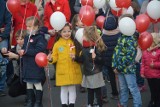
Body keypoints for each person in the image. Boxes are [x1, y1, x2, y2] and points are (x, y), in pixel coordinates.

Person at [48, 23, 82, 107]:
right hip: (62, 70)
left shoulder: (74, 42)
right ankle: (64, 105)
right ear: (60, 33)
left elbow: (80, 53)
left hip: (73, 69)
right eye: (64, 32)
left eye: (69, 31)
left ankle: (71, 104)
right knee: (63, 89)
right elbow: (54, 56)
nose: (67, 33)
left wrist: (76, 56)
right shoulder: (57, 44)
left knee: (72, 88)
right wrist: (51, 59)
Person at [112, 14, 142, 107]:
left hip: (128, 69)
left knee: (132, 88)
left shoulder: (130, 40)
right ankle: (122, 103)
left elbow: (129, 57)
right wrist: (114, 65)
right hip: (120, 69)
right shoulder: (121, 37)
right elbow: (116, 53)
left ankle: (137, 104)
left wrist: (118, 67)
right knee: (123, 88)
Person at [18, 16, 47, 107]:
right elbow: (24, 47)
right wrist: (21, 50)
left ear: (36, 27)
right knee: (28, 84)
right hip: (27, 64)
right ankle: (30, 101)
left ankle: (38, 102)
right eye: (27, 26)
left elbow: (39, 50)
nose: (28, 28)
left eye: (30, 26)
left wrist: (26, 52)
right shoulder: (27, 36)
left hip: (36, 64)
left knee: (37, 83)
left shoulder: (40, 37)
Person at [75, 26, 106, 107]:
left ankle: (99, 104)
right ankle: (90, 104)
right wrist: (75, 58)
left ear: (89, 36)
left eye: (83, 35)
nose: (82, 37)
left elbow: (102, 61)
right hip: (88, 72)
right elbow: (82, 60)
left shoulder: (96, 47)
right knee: (90, 91)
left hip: (95, 73)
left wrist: (95, 58)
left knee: (97, 91)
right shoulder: (84, 48)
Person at [102, 14, 120, 100]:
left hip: (108, 60)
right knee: (121, 76)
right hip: (118, 60)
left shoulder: (103, 36)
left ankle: (115, 93)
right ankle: (126, 93)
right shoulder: (119, 34)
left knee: (111, 76)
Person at [140, 33, 160, 107]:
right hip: (149, 75)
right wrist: (142, 72)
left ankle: (157, 102)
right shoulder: (145, 50)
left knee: (157, 90)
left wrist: (154, 65)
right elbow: (143, 63)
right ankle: (153, 100)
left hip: (157, 76)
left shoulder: (158, 51)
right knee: (152, 90)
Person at [71, 14, 86, 93]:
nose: (83, 22)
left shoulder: (87, 29)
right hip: (78, 51)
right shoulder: (73, 32)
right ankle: (81, 85)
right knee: (81, 69)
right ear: (76, 23)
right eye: (81, 20)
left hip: (86, 51)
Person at [0, 0, 12, 97]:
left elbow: (9, 22)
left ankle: (1, 88)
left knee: (3, 63)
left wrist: (3, 36)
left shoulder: (4, 4)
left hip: (2, 37)